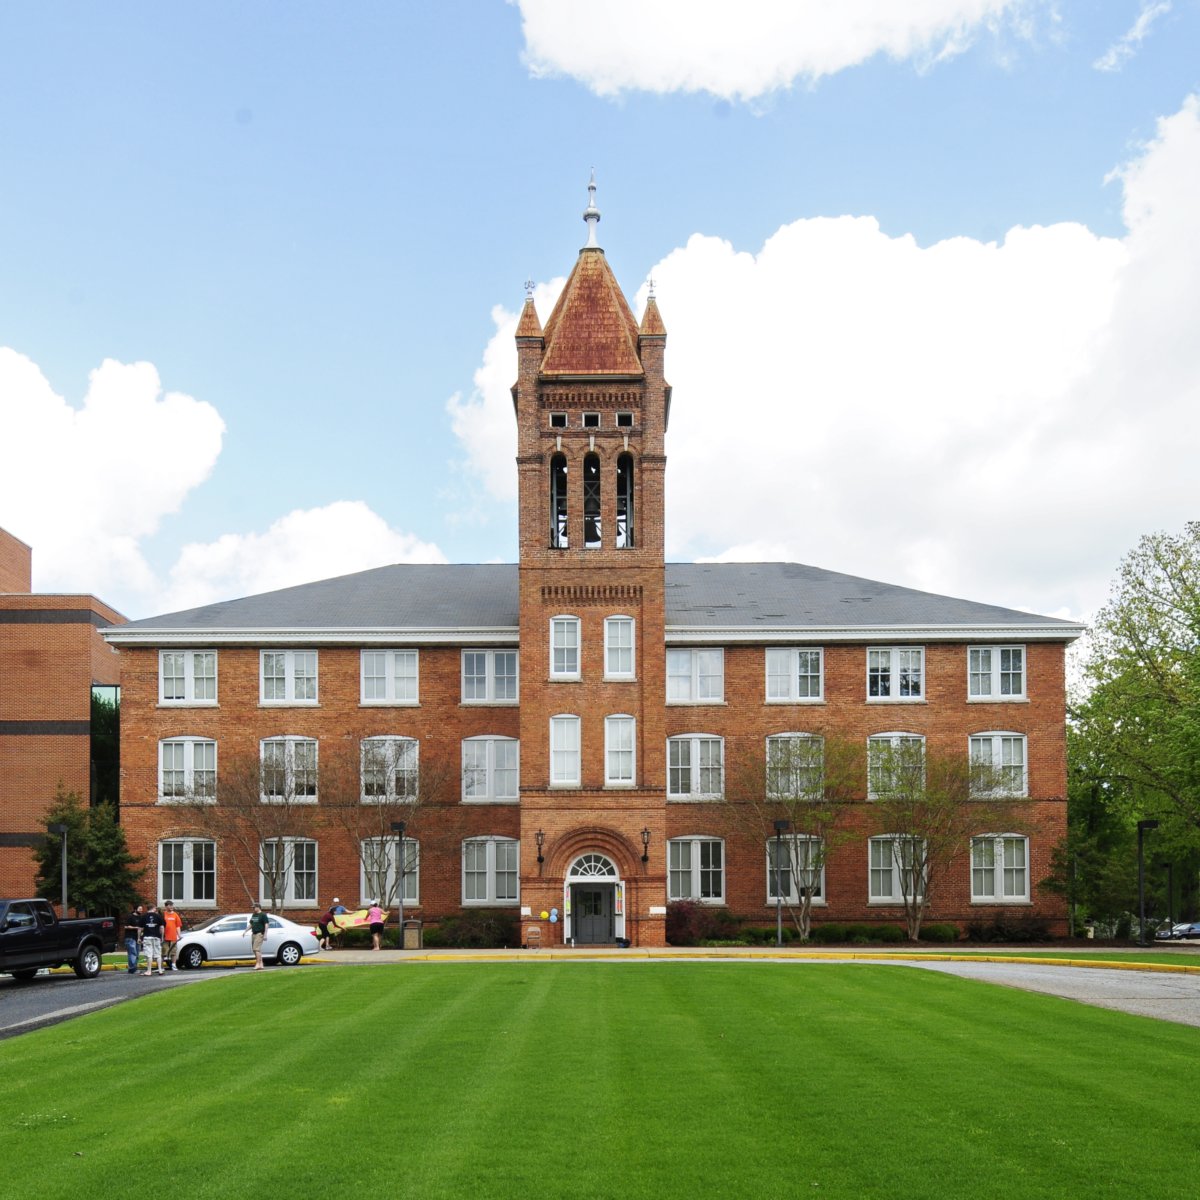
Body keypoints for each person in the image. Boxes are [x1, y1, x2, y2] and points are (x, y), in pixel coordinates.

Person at [141, 903, 165, 975]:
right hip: (156, 937)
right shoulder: (158, 916)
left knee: (149, 954)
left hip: (147, 936)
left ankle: (149, 971)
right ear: (153, 908)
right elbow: (162, 928)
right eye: (155, 908)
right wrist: (162, 937)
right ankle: (160, 970)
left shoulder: (144, 916)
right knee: (158, 954)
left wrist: (139, 937)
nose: (156, 909)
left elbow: (140, 928)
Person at [244, 904, 269, 970]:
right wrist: (245, 931)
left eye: (254, 907)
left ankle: (258, 964)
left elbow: (266, 924)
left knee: (256, 949)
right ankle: (261, 964)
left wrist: (265, 934)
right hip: (254, 933)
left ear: (258, 907)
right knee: (255, 950)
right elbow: (251, 924)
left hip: (259, 933)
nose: (253, 909)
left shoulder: (263, 915)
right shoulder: (254, 915)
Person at [123, 904, 144, 974]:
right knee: (132, 953)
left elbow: (142, 927)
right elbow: (126, 926)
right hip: (130, 937)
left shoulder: (141, 917)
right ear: (135, 909)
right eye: (140, 909)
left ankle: (134, 967)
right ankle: (132, 969)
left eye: (142, 909)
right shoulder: (130, 916)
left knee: (137, 953)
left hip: (138, 937)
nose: (141, 910)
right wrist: (136, 927)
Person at [162, 901, 183, 970]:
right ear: (166, 906)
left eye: (172, 905)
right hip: (164, 936)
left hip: (173, 936)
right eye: (169, 905)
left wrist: (179, 935)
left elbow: (178, 926)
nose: (171, 907)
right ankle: (161, 966)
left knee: (173, 952)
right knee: (164, 951)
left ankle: (173, 965)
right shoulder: (163, 914)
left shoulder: (175, 915)